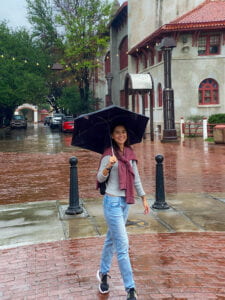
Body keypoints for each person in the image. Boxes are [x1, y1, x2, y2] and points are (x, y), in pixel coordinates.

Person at [96, 124, 150, 300]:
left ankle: (103, 273)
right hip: (111, 202)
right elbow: (99, 178)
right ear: (112, 135)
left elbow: (136, 178)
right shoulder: (108, 155)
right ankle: (130, 289)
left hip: (126, 202)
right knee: (123, 245)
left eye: (124, 132)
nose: (121, 135)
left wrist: (143, 198)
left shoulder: (130, 154)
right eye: (117, 132)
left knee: (111, 239)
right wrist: (108, 166)